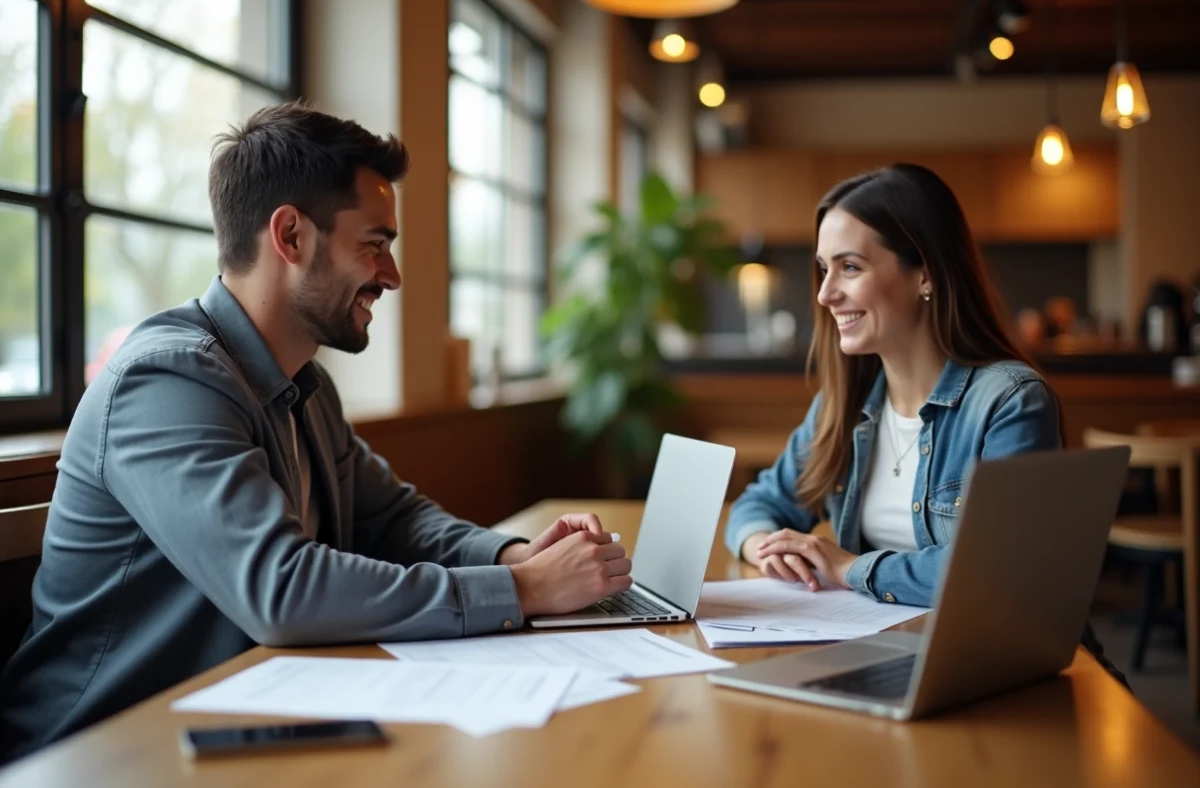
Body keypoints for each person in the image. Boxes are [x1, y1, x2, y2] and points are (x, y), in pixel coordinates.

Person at [0, 102, 632, 763]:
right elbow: (281, 588)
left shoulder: (303, 382)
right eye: (375, 244)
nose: (390, 276)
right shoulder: (165, 381)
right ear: (292, 236)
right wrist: (525, 592)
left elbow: (394, 520)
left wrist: (512, 558)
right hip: (96, 754)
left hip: (237, 723)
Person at [722, 165, 1127, 683]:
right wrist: (765, 547)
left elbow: (995, 574)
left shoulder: (1009, 402)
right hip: (882, 655)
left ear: (925, 273)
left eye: (849, 267)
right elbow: (758, 505)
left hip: (991, 666)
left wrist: (848, 568)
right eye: (824, 269)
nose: (825, 295)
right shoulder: (841, 406)